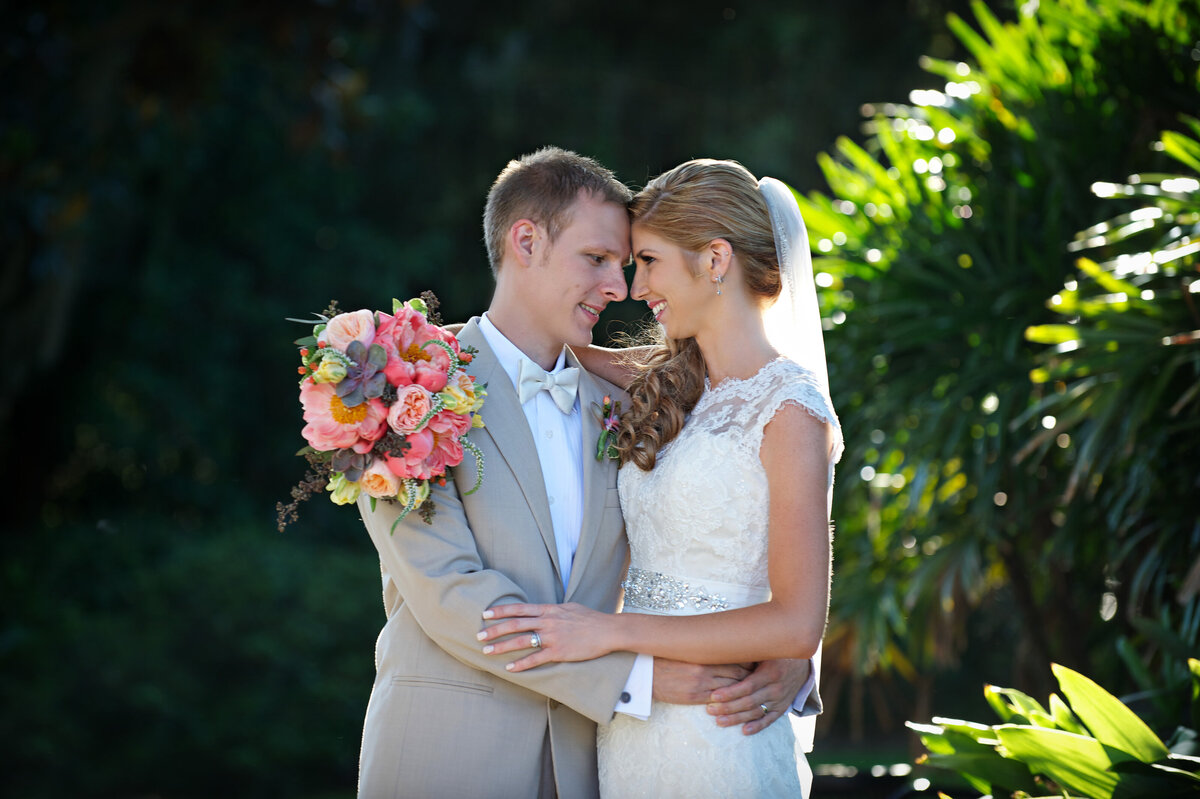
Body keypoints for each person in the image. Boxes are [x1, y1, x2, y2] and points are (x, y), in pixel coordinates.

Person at [354, 147, 817, 798]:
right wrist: (637, 677)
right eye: (597, 260)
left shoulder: (641, 408)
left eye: (631, 264)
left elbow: (750, 523)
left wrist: (790, 655)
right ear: (526, 242)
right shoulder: (403, 393)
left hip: (597, 764)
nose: (621, 288)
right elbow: (448, 595)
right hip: (447, 760)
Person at [478, 158, 843, 797]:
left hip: (720, 732)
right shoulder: (666, 383)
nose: (632, 286)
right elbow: (525, 340)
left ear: (715, 259)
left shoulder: (789, 411)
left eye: (647, 260)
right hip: (631, 730)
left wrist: (609, 632)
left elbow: (796, 624)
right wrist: (396, 351)